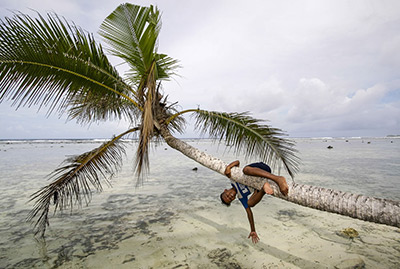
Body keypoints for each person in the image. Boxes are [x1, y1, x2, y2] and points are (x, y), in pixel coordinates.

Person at [220, 160, 288, 244]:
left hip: (260, 169)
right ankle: (263, 188)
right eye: (230, 199)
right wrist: (253, 230)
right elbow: (249, 213)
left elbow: (237, 162)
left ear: (225, 190)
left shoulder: (232, 179)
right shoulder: (241, 196)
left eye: (227, 195)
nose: (230, 196)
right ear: (233, 199)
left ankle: (277, 178)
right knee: (250, 204)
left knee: (245, 170)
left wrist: (228, 167)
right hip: (262, 180)